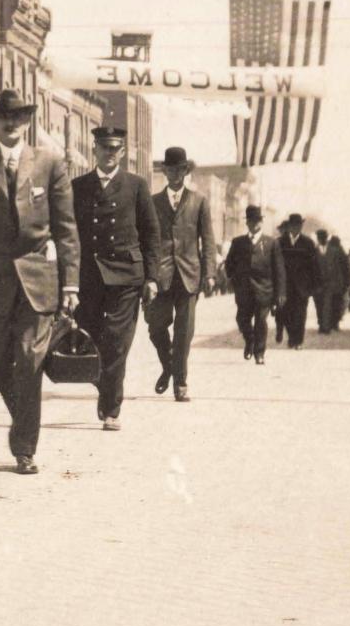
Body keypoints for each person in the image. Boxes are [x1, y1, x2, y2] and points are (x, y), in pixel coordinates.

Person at [0, 90, 80, 474]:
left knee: (29, 359)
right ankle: (24, 416)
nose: (11, 124)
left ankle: (25, 447)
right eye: (4, 118)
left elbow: (67, 229)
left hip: (37, 281)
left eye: (18, 117)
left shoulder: (50, 164)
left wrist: (70, 284)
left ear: (27, 122)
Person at [72, 124, 161, 429]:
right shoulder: (78, 186)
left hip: (126, 275)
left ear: (122, 153)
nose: (109, 154)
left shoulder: (136, 186)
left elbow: (151, 233)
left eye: (115, 149)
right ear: (94, 149)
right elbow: (68, 237)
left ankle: (111, 408)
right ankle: (104, 383)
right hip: (90, 277)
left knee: (116, 341)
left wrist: (152, 278)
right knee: (92, 337)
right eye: (104, 148)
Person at [146, 146, 212, 403]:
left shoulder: (199, 202)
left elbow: (207, 239)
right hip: (161, 274)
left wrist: (209, 273)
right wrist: (148, 275)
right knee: (155, 327)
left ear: (186, 172)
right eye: (170, 169)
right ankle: (169, 367)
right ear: (164, 171)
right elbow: (147, 239)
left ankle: (180, 383)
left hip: (188, 275)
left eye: (179, 170)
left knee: (184, 332)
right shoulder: (152, 202)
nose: (175, 174)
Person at [226, 206, 285, 363]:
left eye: (257, 221)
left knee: (261, 320)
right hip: (244, 291)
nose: (254, 224)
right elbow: (229, 265)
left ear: (261, 222)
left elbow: (279, 271)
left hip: (264, 290)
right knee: (242, 320)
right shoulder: (238, 243)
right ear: (247, 223)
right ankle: (250, 340)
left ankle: (259, 353)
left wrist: (280, 293)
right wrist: (234, 281)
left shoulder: (271, 243)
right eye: (251, 221)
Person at [276, 214, 320, 348]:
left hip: (302, 287)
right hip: (285, 286)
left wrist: (315, 285)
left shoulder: (308, 243)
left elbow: (314, 266)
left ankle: (298, 341)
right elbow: (274, 264)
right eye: (294, 225)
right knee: (287, 313)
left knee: (300, 314)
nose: (297, 228)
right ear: (289, 227)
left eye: (299, 225)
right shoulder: (280, 242)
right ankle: (291, 336)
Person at [321, 235, 350, 332]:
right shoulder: (342, 252)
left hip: (328, 283)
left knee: (328, 305)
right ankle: (335, 324)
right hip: (339, 285)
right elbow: (347, 269)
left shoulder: (327, 252)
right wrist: (348, 283)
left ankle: (328, 324)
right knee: (337, 304)